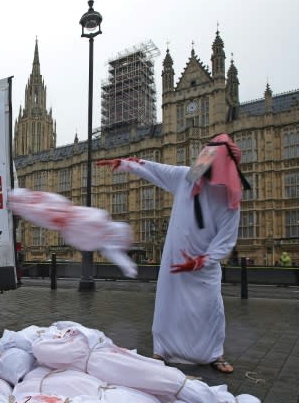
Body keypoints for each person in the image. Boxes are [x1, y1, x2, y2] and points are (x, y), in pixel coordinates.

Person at [97, 133, 250, 374]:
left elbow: (226, 239)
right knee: (168, 306)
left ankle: (214, 354)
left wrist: (203, 261)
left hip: (203, 266)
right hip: (175, 261)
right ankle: (162, 350)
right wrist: (126, 163)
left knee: (210, 309)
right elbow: (155, 170)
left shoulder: (229, 199)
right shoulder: (185, 179)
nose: (203, 161)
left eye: (210, 157)